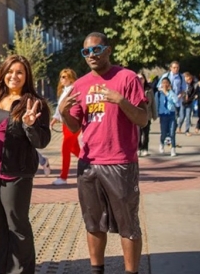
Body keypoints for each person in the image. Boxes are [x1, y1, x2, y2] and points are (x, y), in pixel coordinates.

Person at [58, 32, 147, 274]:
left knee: (128, 225)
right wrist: (65, 112)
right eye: (86, 52)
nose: (91, 56)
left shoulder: (127, 78)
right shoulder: (80, 85)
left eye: (96, 50)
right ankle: (97, 270)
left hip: (120, 162)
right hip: (89, 163)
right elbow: (75, 126)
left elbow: (143, 119)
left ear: (107, 50)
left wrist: (121, 101)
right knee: (93, 223)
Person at [0, 54, 51, 274]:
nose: (14, 76)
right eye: (10, 71)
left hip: (16, 173)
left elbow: (41, 141)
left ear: (26, 76)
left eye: (20, 72)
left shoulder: (34, 103)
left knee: (17, 226)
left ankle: (20, 270)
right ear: (3, 73)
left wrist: (30, 125)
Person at [49, 68, 80, 185]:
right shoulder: (66, 90)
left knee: (65, 149)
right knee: (74, 149)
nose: (61, 79)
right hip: (66, 123)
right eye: (61, 76)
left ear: (70, 78)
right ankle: (92, 164)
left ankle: (63, 177)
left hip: (72, 123)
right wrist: (53, 121)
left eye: (64, 77)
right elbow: (59, 109)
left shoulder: (73, 90)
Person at [156, 77, 179, 157]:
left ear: (169, 84)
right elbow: (156, 104)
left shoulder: (172, 93)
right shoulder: (158, 93)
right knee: (164, 132)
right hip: (163, 115)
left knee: (172, 133)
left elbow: (176, 101)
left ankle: (173, 148)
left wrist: (169, 93)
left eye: (166, 83)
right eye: (163, 83)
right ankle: (162, 143)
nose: (165, 84)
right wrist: (156, 114)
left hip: (171, 114)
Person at [137, 73, 157, 156]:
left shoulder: (149, 89)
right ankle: (138, 148)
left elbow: (153, 103)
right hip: (136, 114)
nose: (140, 80)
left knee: (146, 133)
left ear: (144, 79)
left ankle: (145, 149)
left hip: (147, 114)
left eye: (142, 78)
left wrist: (154, 114)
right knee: (138, 133)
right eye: (138, 78)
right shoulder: (133, 88)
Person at [177, 72, 197, 137]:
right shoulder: (182, 85)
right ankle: (179, 127)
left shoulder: (193, 85)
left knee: (188, 116)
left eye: (190, 79)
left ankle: (187, 131)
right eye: (187, 79)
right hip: (182, 102)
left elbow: (193, 93)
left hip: (189, 102)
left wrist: (190, 99)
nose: (189, 81)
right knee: (182, 117)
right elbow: (180, 92)